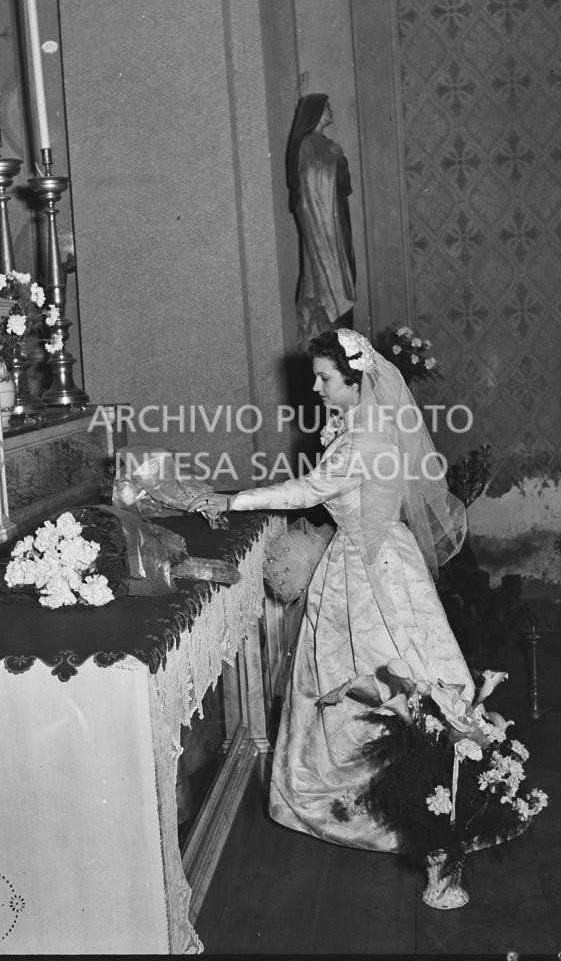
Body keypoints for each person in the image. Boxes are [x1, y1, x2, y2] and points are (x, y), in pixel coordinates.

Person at [189, 329, 474, 851]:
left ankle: (384, 793)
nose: (316, 388)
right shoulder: (362, 423)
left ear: (355, 378)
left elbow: (308, 489)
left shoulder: (364, 438)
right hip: (375, 553)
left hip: (369, 567)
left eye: (324, 378)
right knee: (367, 669)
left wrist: (230, 500)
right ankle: (388, 783)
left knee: (374, 668)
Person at [286, 94, 357, 345]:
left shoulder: (325, 144)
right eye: (327, 106)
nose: (331, 109)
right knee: (327, 289)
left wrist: (339, 161)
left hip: (337, 225)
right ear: (315, 112)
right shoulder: (309, 144)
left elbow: (343, 187)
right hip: (322, 229)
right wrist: (332, 160)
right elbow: (309, 188)